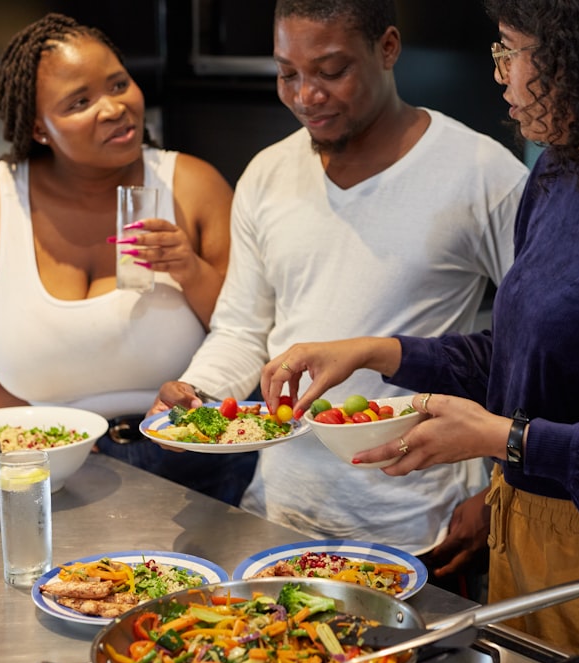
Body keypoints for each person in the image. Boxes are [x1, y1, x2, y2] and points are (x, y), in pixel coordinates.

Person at [260, 0, 579, 663]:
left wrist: (504, 438)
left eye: (510, 50)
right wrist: (376, 352)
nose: (500, 73)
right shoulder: (558, 176)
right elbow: (525, 358)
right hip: (530, 549)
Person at [152, 0, 528, 570]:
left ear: (388, 48)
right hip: (278, 515)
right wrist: (197, 393)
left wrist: (498, 492)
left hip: (420, 529)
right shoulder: (267, 174)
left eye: (331, 72)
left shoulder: (483, 173)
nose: (306, 95)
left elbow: (534, 346)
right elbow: (242, 328)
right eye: (288, 73)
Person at [0, 13, 254, 504]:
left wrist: (189, 269)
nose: (114, 108)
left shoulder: (194, 186)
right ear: (38, 127)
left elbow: (246, 330)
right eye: (81, 101)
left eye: (119, 84)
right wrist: (41, 429)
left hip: (193, 457)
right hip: (48, 468)